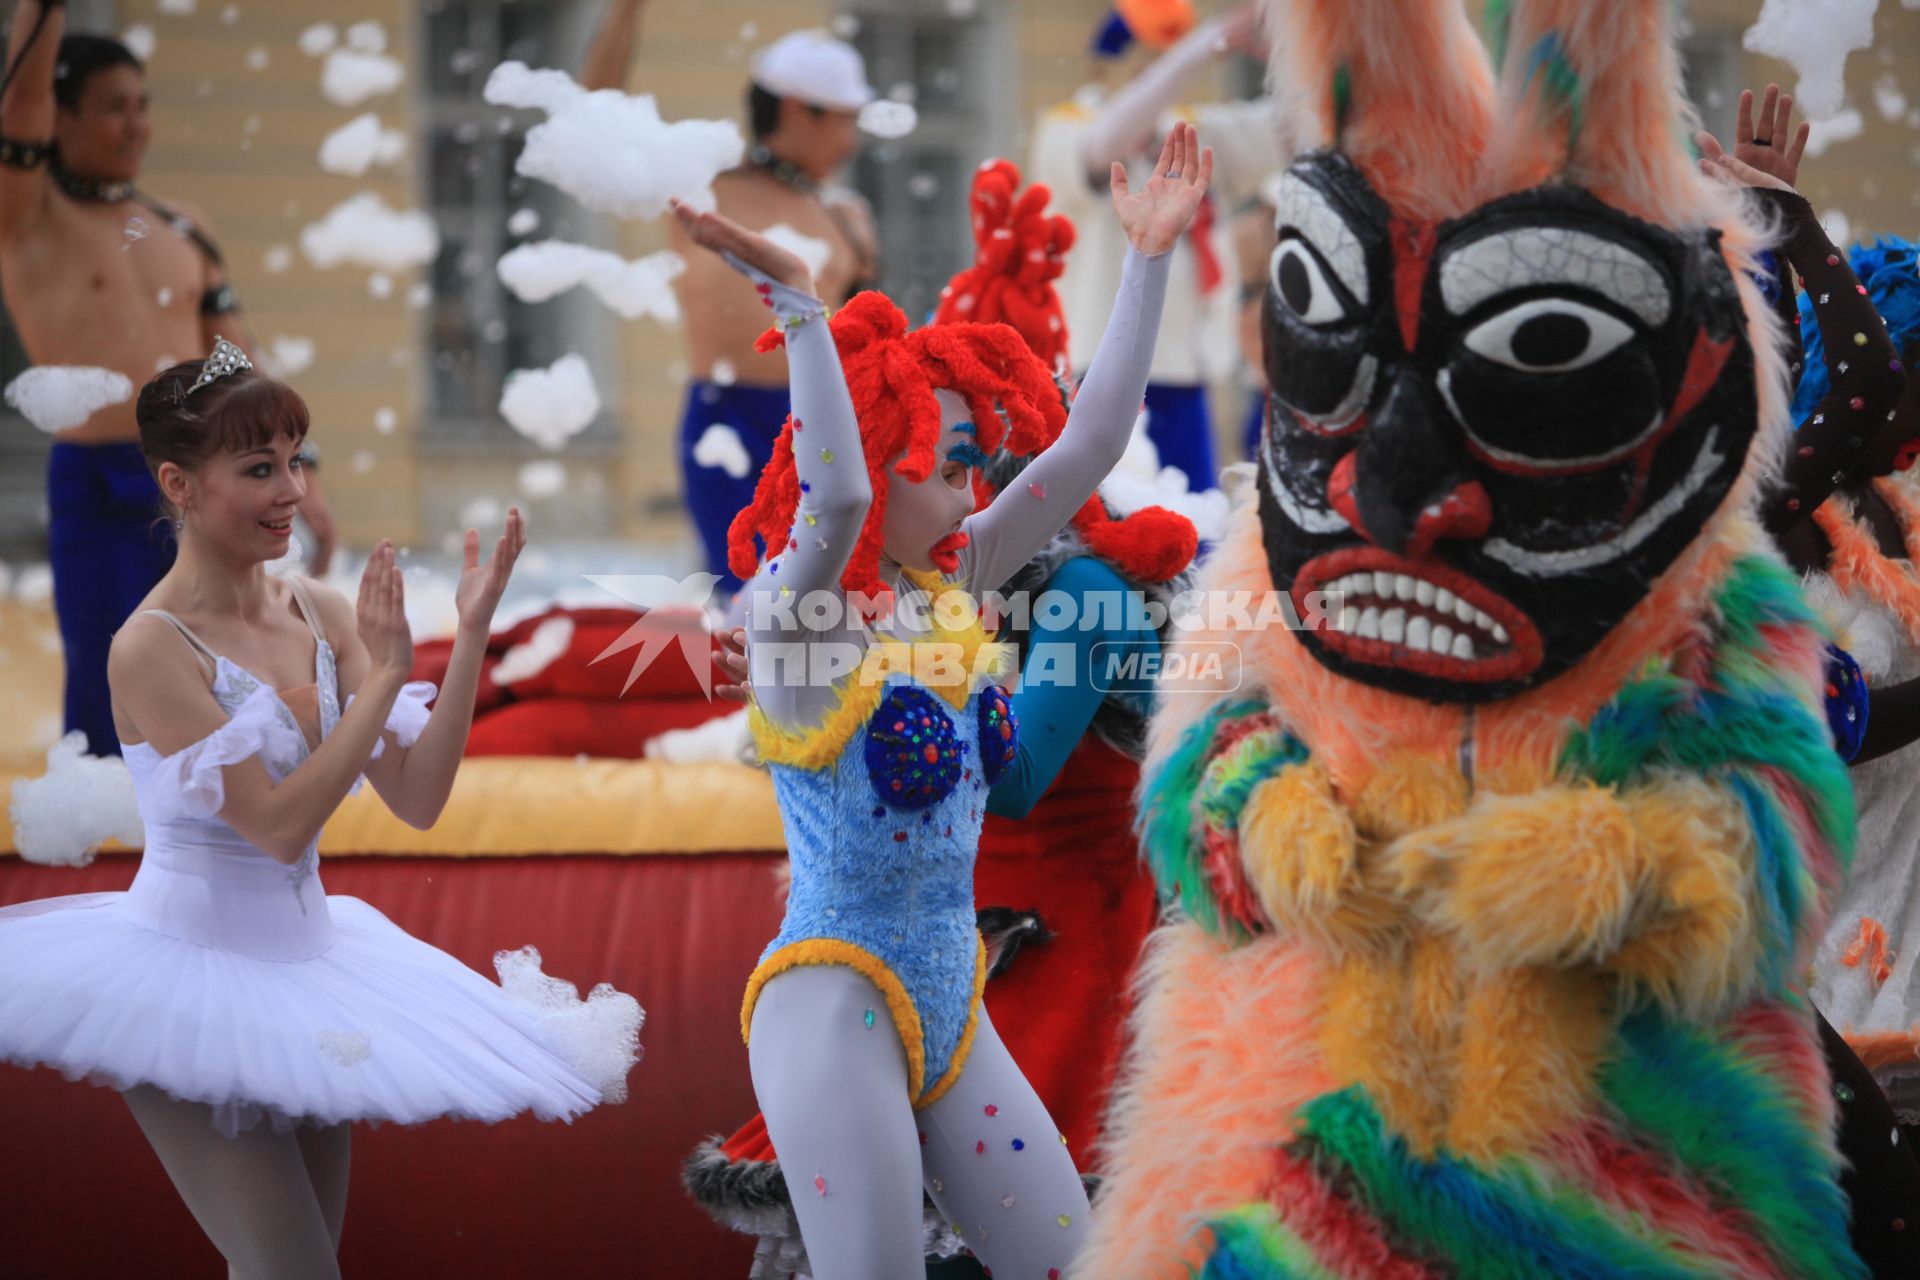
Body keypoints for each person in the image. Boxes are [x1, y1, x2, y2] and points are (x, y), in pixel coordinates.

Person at [1079, 3, 1873, 1276]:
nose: (1406, 488)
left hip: (1606, 1175)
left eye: (1544, 348)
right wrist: (1262, 814)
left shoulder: (1709, 593)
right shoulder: (1269, 560)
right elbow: (1193, 769)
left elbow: (1779, 835)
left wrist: (1619, 864)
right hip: (1278, 1154)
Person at [669, 123, 1207, 1280]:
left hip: (951, 995)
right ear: (882, 443)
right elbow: (838, 491)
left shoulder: (952, 582)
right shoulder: (800, 619)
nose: (978, 484)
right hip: (834, 1000)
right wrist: (805, 309)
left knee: (1069, 1261)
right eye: (952, 458)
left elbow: (1090, 440)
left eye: (978, 462)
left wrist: (1150, 256)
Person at [0, 344, 641, 1279]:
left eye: (295, 460)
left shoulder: (318, 608)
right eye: (258, 468)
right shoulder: (147, 648)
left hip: (314, 972)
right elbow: (278, 826)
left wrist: (466, 637)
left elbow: (416, 800)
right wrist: (380, 682)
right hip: (186, 980)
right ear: (178, 483)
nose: (291, 489)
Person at [1696, 85, 1920, 1276]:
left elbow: (1828, 388)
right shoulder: (1728, 542)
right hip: (1725, 965)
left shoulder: (1736, 522)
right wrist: (1776, 219)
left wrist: (1774, 219)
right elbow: (1854, 386)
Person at [0, 3, 336, 758]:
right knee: (115, 671)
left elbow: (235, 361)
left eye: (144, 104)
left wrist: (299, 472)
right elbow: (18, 101)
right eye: (114, 108)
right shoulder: (27, 215)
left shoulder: (181, 226)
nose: (137, 124)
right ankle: (125, 849)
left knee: (228, 665)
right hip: (101, 478)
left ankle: (236, 828)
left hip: (206, 475)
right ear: (61, 116)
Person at [579, 6, 880, 594]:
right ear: (796, 110)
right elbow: (596, 117)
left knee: (830, 600)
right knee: (750, 597)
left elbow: (871, 338)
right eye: (844, 121)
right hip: (728, 419)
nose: (852, 141)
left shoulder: (845, 218)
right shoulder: (706, 185)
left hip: (822, 425)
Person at [1029, 1, 1279, 493]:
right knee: (1112, 521)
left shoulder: (1183, 127)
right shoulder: (1066, 125)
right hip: (1098, 368)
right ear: (1103, 64)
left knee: (1196, 526)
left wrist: (1297, 51)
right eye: (1144, 66)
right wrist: (1200, 50)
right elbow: (1103, 145)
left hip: (1186, 369)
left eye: (1161, 65)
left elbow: (1288, 129)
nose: (1158, 82)